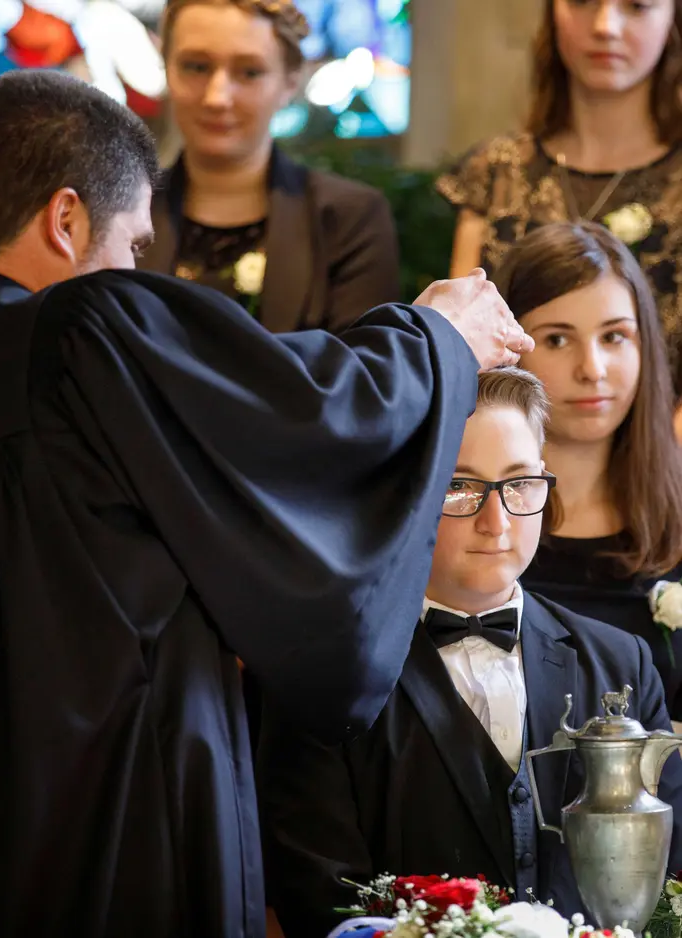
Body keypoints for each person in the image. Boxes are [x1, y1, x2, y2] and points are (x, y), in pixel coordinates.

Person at [0, 70, 529, 938]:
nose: (133, 271)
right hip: (105, 831)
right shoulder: (75, 332)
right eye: (134, 245)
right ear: (66, 220)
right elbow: (308, 415)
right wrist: (439, 339)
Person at [257, 367, 682, 938]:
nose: (496, 521)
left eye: (520, 483)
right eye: (459, 485)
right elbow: (321, 897)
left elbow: (668, 882)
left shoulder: (621, 662)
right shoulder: (327, 674)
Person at [436, 0, 682, 395]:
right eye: (582, 1)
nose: (605, 26)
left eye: (637, 5)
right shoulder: (498, 171)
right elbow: (460, 355)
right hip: (508, 430)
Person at [493, 222, 682, 721]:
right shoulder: (472, 517)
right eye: (557, 339)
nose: (593, 369)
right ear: (509, 347)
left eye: (614, 336)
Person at [138, 0, 400, 331]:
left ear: (289, 83)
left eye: (249, 72)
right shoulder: (119, 212)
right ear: (167, 68)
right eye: (196, 67)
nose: (217, 97)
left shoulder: (349, 219)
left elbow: (361, 361)